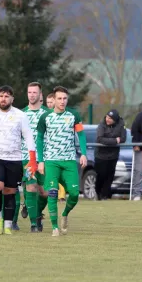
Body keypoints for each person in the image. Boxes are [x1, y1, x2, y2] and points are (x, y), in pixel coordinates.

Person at [0, 85, 37, 235]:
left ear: (12, 99)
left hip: (15, 158)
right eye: (1, 96)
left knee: (10, 191)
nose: (4, 99)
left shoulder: (20, 115)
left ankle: (8, 224)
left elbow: (28, 136)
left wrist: (32, 159)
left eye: (7, 96)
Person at [36, 86, 87, 236]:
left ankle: (65, 214)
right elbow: (39, 139)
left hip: (69, 160)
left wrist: (83, 153)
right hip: (51, 160)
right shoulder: (45, 117)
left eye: (65, 98)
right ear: (54, 99)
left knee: (74, 194)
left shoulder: (74, 115)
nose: (62, 101)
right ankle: (54, 228)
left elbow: (81, 135)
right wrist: (40, 161)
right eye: (59, 98)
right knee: (52, 192)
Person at [17, 82, 50, 232]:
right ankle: (33, 224)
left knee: (45, 192)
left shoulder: (48, 114)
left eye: (34, 92)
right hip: (26, 158)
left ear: (40, 95)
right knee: (31, 187)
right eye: (29, 92)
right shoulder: (21, 114)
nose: (32, 95)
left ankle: (36, 213)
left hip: (44, 158)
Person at [95, 109, 126, 200]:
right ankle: (98, 193)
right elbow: (100, 139)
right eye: (107, 117)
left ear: (115, 120)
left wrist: (109, 140)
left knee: (109, 176)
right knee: (101, 175)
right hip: (101, 155)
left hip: (113, 155)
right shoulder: (101, 125)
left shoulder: (121, 124)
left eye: (110, 118)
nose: (107, 119)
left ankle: (104, 195)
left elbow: (123, 138)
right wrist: (115, 140)